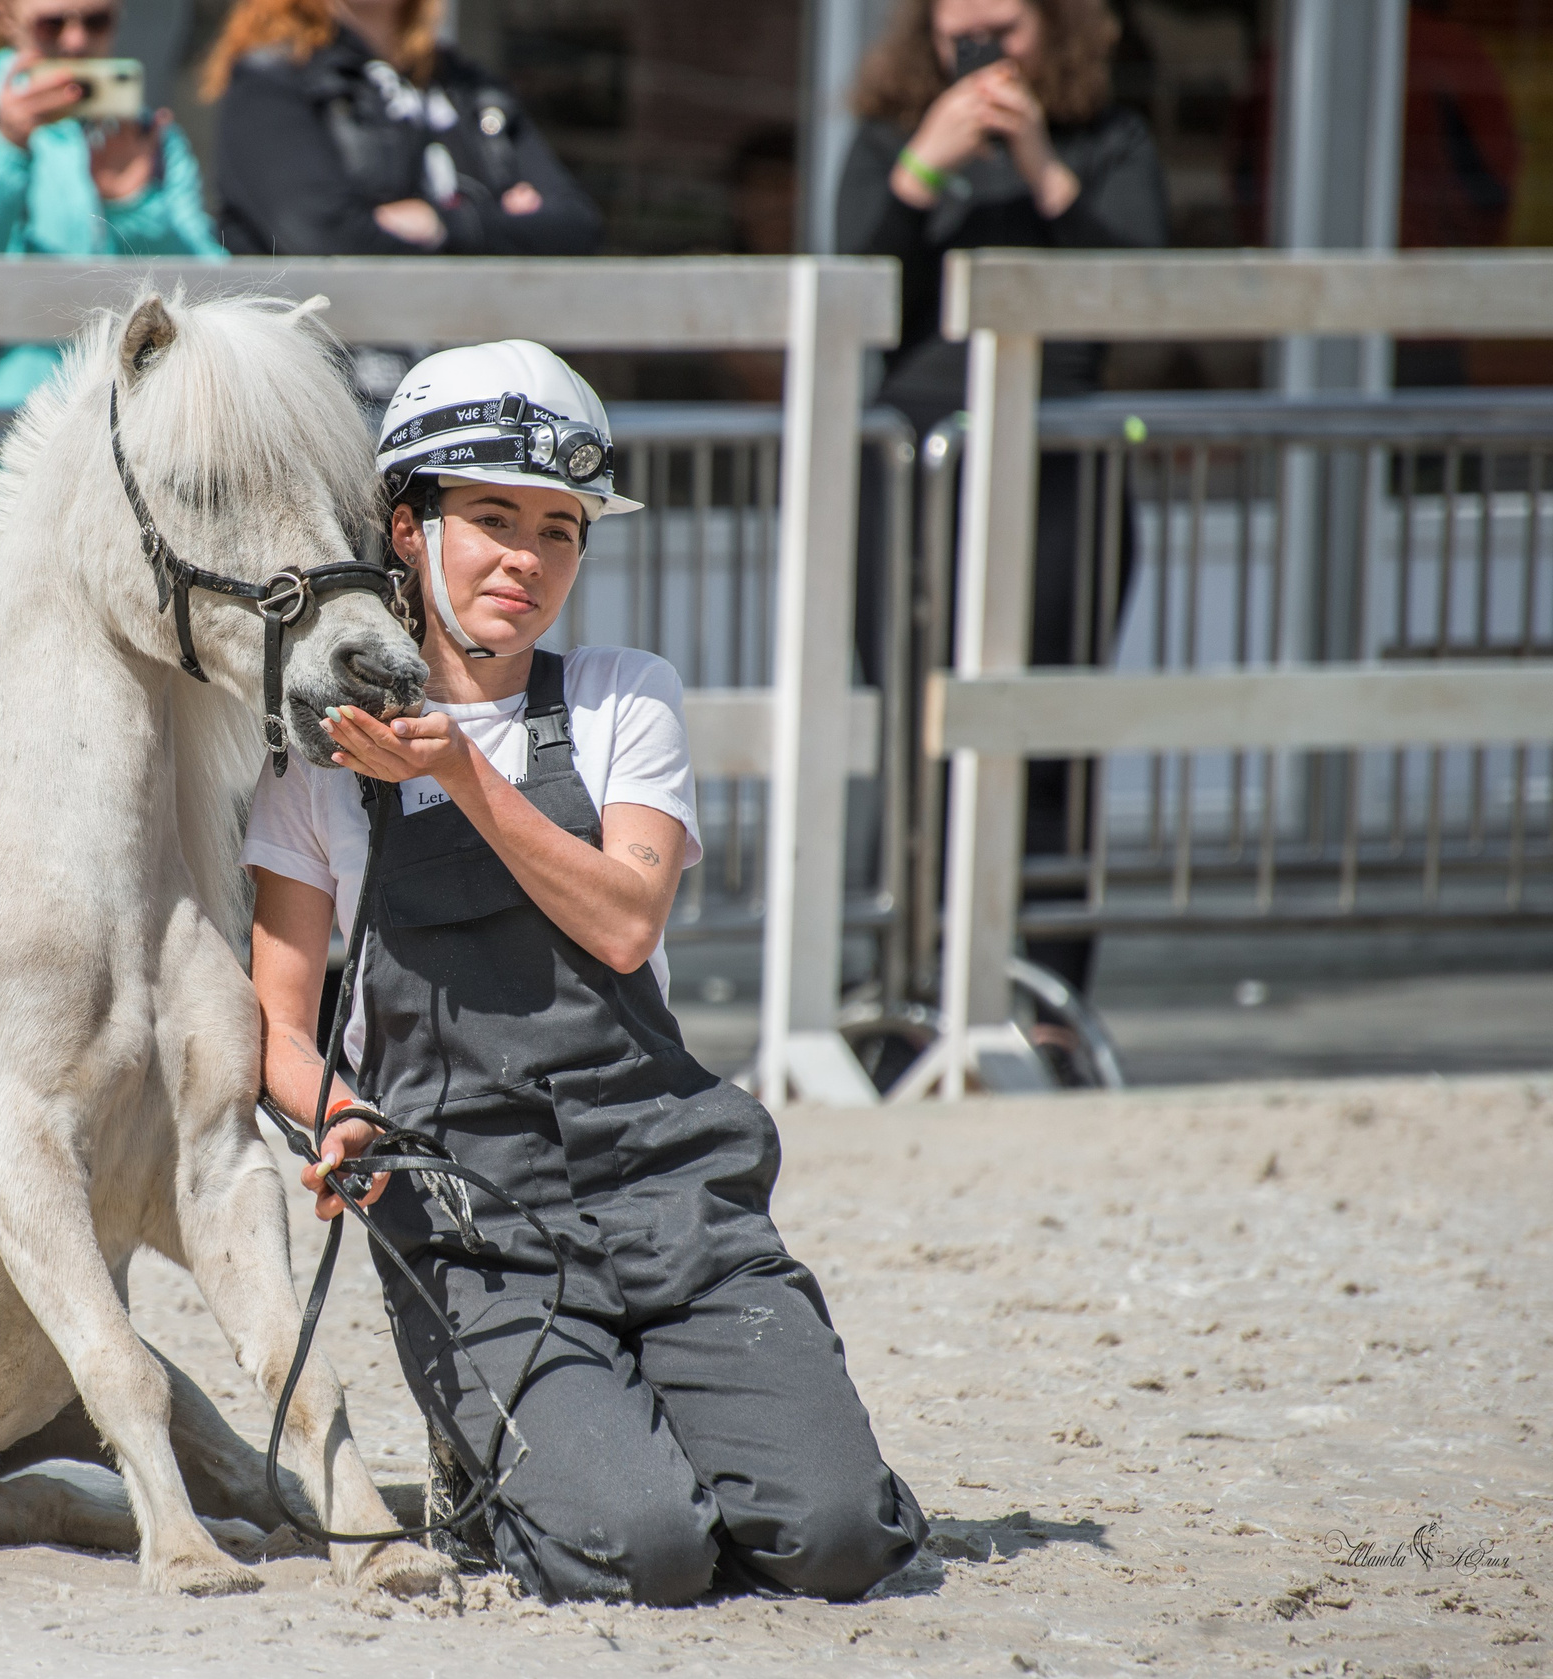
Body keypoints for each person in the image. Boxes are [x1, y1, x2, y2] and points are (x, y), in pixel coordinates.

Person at [245, 341, 926, 1605]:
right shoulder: (313, 764)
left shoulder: (625, 698)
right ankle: (496, 1459)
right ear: (407, 525)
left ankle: (662, 1423)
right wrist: (328, 1111)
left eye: (559, 531)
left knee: (836, 1537)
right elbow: (277, 1026)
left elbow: (623, 922)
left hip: (673, 1187)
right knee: (647, 1551)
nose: (526, 560)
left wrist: (459, 773)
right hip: (470, 1218)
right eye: (490, 520)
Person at [836, 0, 1166, 999]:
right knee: (913, 727)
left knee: (1047, 725)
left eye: (1004, 31)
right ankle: (901, 978)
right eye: (959, 34)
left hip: (1057, 459)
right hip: (913, 463)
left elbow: (1142, 293)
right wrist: (921, 166)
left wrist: (1038, 162)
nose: (980, 52)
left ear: (1056, 28)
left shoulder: (1105, 138)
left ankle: (1047, 985)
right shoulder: (895, 134)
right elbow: (850, 281)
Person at [0, 0, 223, 531]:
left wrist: (134, 206)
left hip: (144, 479)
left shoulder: (152, 140)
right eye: (53, 24)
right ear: (4, 16)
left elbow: (214, 292)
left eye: (96, 22)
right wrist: (6, 148)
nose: (75, 42)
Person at [204, 0, 600, 259]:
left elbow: (576, 228)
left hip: (476, 362)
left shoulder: (469, 88)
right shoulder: (272, 82)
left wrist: (441, 225)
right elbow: (326, 240)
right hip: (335, 370)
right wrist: (502, 226)